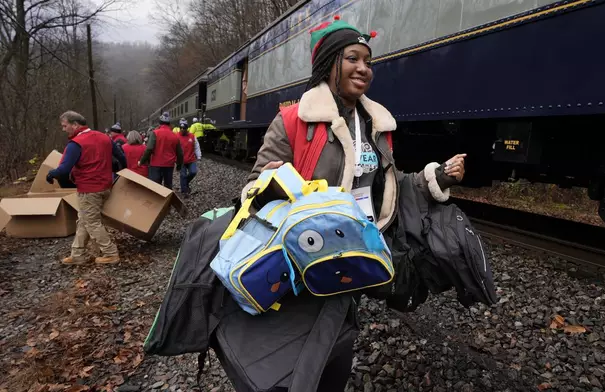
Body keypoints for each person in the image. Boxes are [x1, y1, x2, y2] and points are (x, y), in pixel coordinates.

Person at [238, 18, 466, 391]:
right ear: (329, 63)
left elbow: (390, 186)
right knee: (296, 347)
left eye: (368, 61)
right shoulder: (295, 121)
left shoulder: (376, 124)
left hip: (354, 252)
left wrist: (438, 177)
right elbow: (252, 190)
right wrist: (272, 183)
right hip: (303, 257)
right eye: (352, 59)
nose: (364, 69)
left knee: (338, 343)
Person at [47, 111, 124, 265]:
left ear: (75, 125)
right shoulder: (105, 138)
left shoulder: (76, 144)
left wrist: (50, 174)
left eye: (65, 126)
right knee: (83, 220)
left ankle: (111, 253)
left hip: (89, 189)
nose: (63, 129)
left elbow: (63, 170)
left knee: (92, 222)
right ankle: (77, 254)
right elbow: (122, 157)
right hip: (105, 186)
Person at [139, 111, 183, 189]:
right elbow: (180, 153)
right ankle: (167, 200)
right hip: (169, 165)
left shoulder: (155, 133)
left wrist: (142, 161)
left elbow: (149, 149)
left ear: (159, 123)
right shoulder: (175, 136)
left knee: (155, 188)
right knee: (167, 187)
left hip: (156, 165)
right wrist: (179, 166)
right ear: (169, 124)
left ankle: (156, 200)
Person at [177, 118, 201, 196]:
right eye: (181, 128)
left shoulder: (192, 136)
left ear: (187, 128)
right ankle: (184, 190)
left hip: (191, 159)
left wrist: (199, 156)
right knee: (183, 175)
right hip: (181, 160)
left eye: (184, 128)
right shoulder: (176, 136)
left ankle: (185, 182)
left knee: (193, 172)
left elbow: (197, 147)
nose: (182, 129)